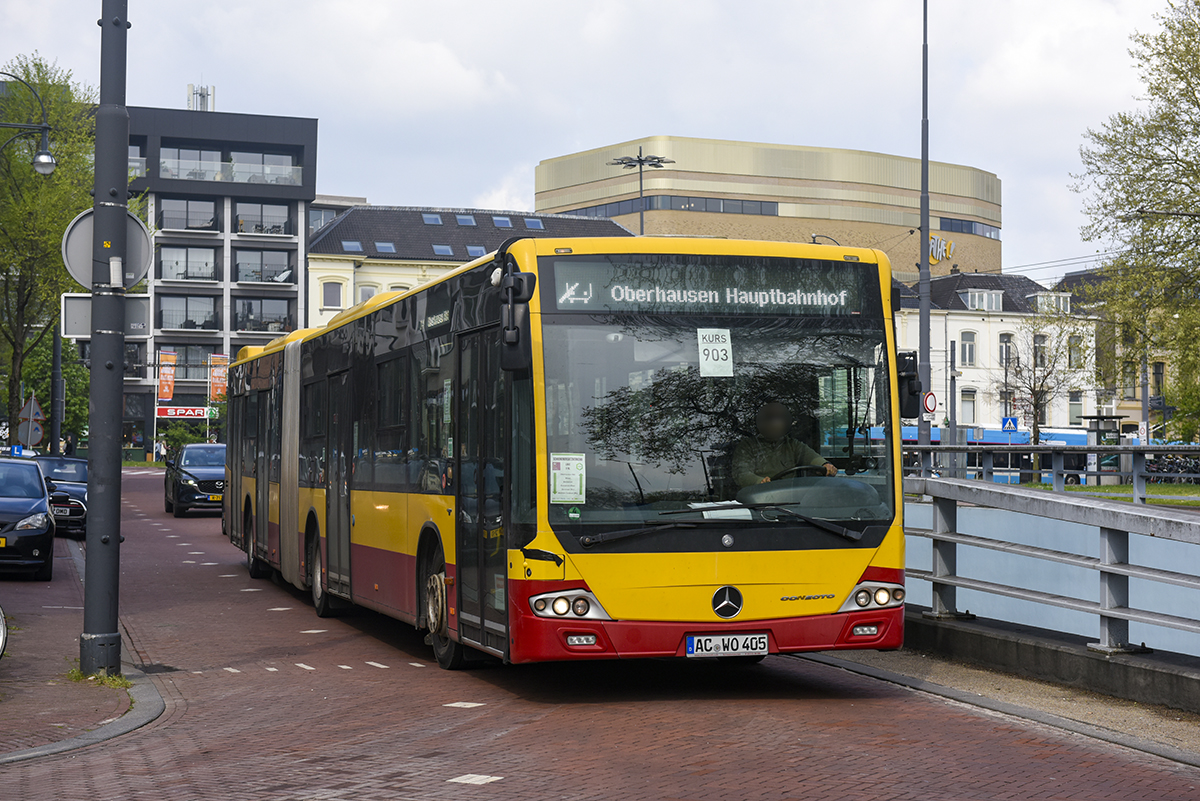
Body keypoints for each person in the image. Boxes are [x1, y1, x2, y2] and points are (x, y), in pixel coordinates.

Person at [732, 402, 836, 488]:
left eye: (780, 418)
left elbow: (811, 457)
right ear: (760, 422)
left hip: (789, 497)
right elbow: (741, 474)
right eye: (770, 418)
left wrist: (825, 465)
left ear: (787, 422)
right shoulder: (747, 446)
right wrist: (760, 481)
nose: (775, 423)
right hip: (758, 498)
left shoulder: (792, 444)